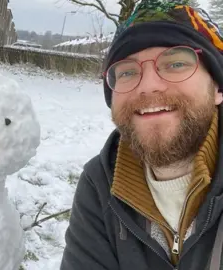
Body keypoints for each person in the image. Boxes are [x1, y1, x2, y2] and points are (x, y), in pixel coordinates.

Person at [60, 1, 223, 269]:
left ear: (217, 86)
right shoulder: (100, 184)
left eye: (175, 63)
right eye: (127, 71)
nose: (148, 86)